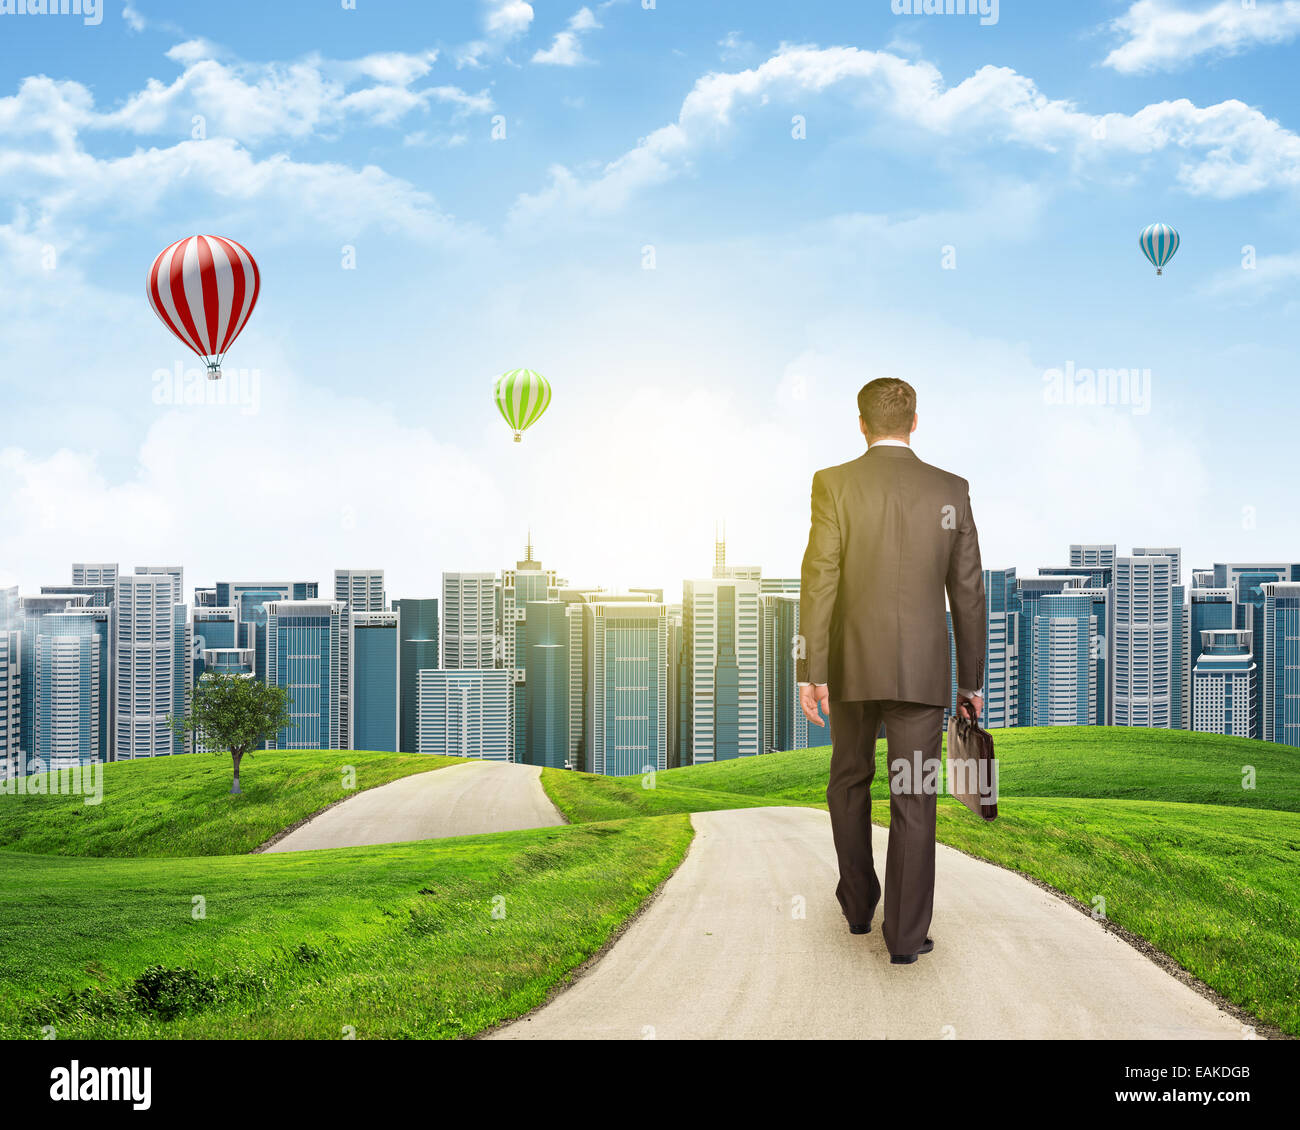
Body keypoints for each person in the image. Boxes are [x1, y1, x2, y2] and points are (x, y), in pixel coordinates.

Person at [798, 377, 985, 965]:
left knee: (849, 781)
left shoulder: (833, 485)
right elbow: (969, 593)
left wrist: (812, 668)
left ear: (860, 423)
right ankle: (905, 937)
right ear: (915, 421)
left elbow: (819, 576)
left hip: (852, 665)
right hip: (923, 670)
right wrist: (970, 681)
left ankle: (858, 907)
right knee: (914, 793)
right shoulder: (951, 489)